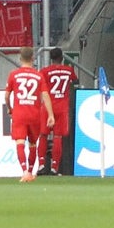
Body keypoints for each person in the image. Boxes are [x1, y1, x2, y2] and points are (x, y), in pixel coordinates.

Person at [4, 46, 54, 182]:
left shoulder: (14, 74)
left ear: (20, 58)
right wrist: (50, 114)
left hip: (19, 113)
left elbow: (7, 96)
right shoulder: (38, 76)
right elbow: (45, 95)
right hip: (34, 113)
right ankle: (31, 172)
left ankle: (25, 171)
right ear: (33, 58)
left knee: (20, 142)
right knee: (33, 144)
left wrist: (10, 108)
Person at [38, 47, 79, 176]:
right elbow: (75, 81)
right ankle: (55, 167)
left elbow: (40, 86)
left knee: (43, 135)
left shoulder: (45, 71)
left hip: (48, 107)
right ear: (61, 58)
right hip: (62, 107)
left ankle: (41, 164)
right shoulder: (69, 70)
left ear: (50, 58)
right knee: (57, 137)